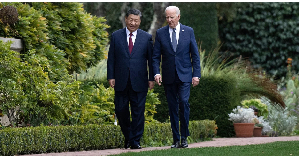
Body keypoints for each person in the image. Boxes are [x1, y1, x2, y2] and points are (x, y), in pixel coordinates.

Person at [152, 6, 201, 148]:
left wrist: (196, 74)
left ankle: (184, 137)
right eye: (167, 17)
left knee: (184, 103)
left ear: (178, 17)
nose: (169, 20)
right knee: (172, 107)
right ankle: (176, 139)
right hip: (168, 77)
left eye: (172, 17)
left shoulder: (189, 31)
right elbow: (155, 57)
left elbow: (195, 56)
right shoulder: (160, 33)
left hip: (185, 75)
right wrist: (156, 73)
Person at [107, 8, 154, 149]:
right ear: (126, 19)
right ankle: (128, 137)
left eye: (136, 20)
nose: (133, 23)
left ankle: (135, 141)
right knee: (121, 110)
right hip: (121, 80)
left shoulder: (146, 37)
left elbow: (151, 60)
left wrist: (151, 78)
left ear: (140, 22)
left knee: (138, 112)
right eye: (131, 20)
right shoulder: (116, 36)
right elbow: (111, 59)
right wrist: (111, 76)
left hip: (139, 81)